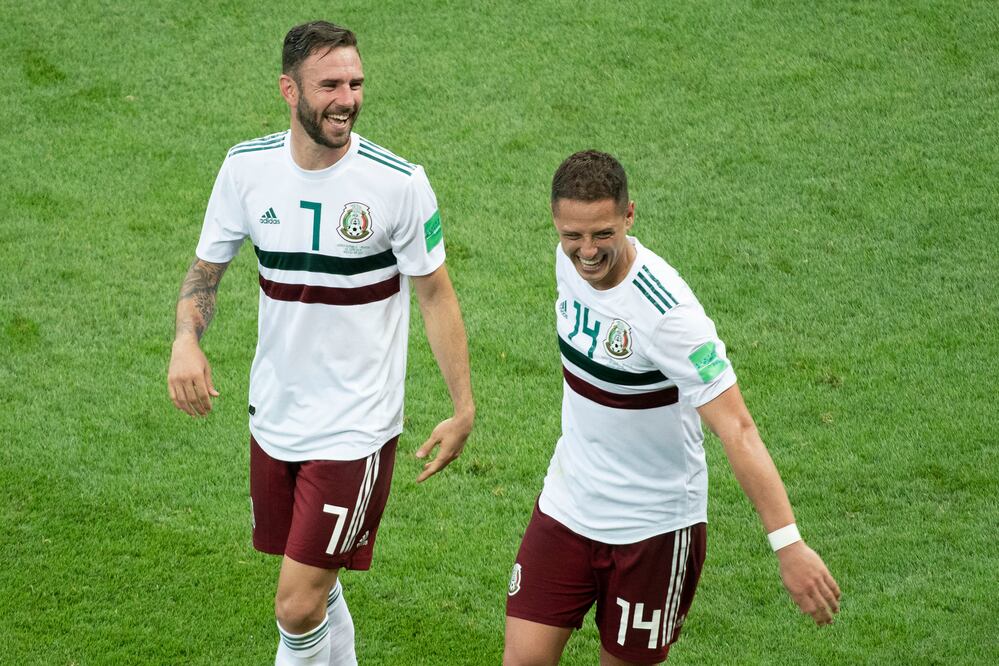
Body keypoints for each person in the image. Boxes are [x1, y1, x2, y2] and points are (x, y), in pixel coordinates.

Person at [167, 21, 474, 666]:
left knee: (296, 604)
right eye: (330, 85)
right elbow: (205, 273)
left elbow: (436, 294)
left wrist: (462, 405)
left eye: (355, 84)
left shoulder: (398, 184)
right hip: (274, 415)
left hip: (355, 428)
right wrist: (186, 339)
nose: (347, 99)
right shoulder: (246, 168)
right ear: (290, 90)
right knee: (317, 586)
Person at [503, 151, 840, 665]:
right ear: (556, 222)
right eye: (573, 235)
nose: (587, 252)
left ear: (629, 215)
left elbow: (738, 429)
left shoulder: (669, 316)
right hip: (567, 506)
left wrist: (789, 544)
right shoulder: (566, 264)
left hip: (652, 530)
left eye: (602, 234)